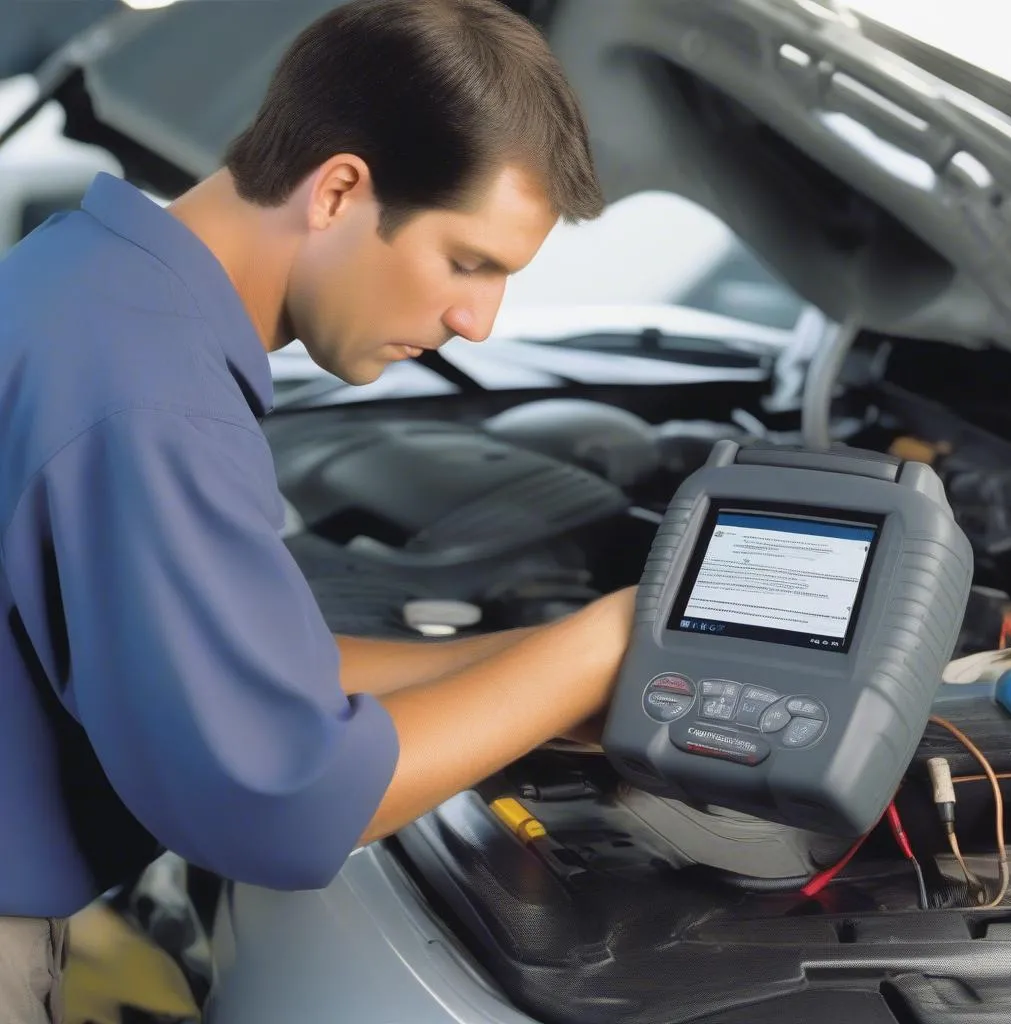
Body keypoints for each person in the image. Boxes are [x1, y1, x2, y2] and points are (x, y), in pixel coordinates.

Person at [0, 1, 638, 1020]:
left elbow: (253, 670)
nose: (478, 322)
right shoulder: (151, 398)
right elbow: (279, 802)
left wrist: (537, 665)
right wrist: (605, 644)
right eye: (467, 262)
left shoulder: (91, 284)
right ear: (339, 189)